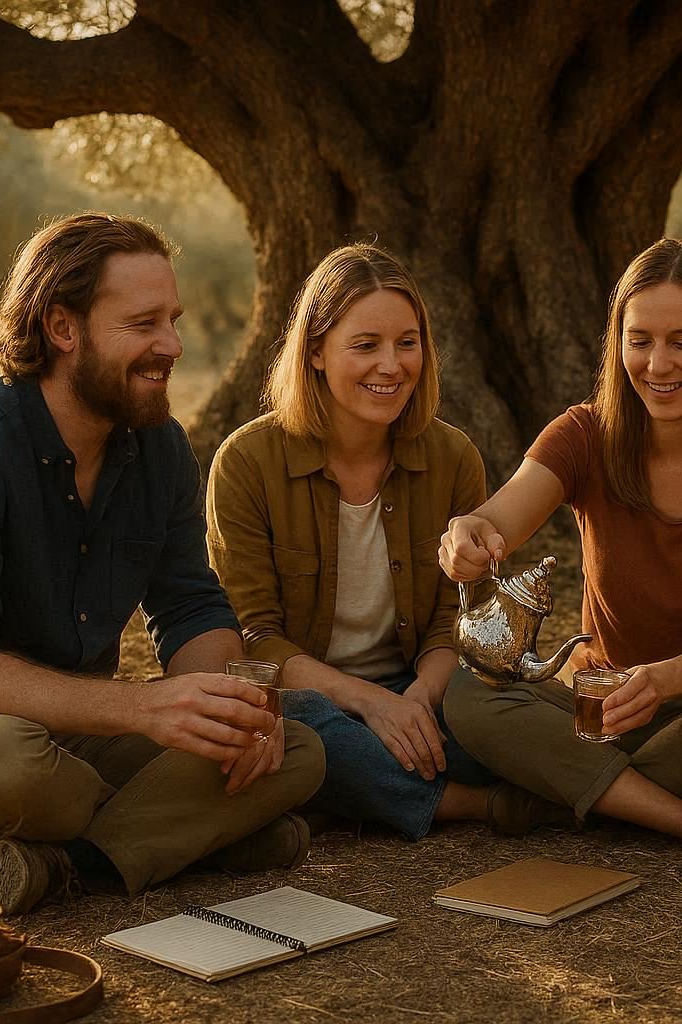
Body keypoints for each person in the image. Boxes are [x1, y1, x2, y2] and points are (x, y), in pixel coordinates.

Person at [0, 213, 325, 914]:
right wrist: (144, 708)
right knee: (10, 763)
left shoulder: (158, 447)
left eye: (173, 320)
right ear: (63, 329)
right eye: (144, 324)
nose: (173, 345)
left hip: (74, 734)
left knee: (300, 746)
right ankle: (181, 837)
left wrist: (233, 710)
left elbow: (191, 607)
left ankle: (65, 866)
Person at [440, 237, 682, 843]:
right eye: (639, 340)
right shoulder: (583, 433)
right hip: (603, 711)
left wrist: (657, 682)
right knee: (467, 696)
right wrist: (468, 535)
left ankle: (571, 789)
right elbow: (496, 519)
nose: (657, 365)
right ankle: (681, 817)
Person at [207, 243, 546, 839]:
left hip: (421, 686)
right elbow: (257, 642)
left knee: (491, 716)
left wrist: (414, 701)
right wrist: (369, 703)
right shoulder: (246, 462)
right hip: (314, 695)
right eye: (365, 346)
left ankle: (346, 792)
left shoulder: (453, 458)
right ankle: (472, 805)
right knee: (302, 729)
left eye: (407, 343)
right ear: (315, 351)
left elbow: (456, 623)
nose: (391, 366)